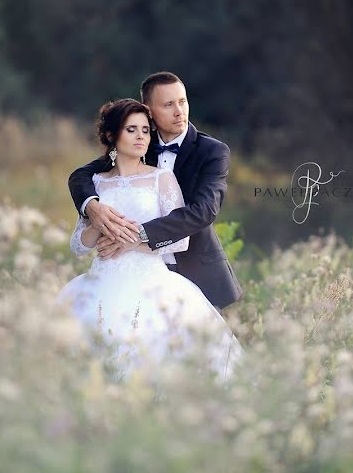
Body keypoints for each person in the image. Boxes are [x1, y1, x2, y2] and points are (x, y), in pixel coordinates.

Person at [57, 99, 242, 383]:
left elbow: (180, 240)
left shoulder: (162, 179)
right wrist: (100, 224)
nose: (141, 136)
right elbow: (77, 244)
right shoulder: (96, 182)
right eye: (131, 130)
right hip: (100, 281)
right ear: (111, 136)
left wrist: (131, 241)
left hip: (152, 281)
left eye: (145, 130)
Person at [67, 72, 243, 311]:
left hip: (194, 269)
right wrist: (93, 207)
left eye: (182, 101)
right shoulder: (137, 144)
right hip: (124, 277)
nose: (179, 111)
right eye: (168, 104)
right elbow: (81, 176)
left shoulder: (213, 151)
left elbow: (204, 211)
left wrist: (136, 237)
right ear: (149, 110)